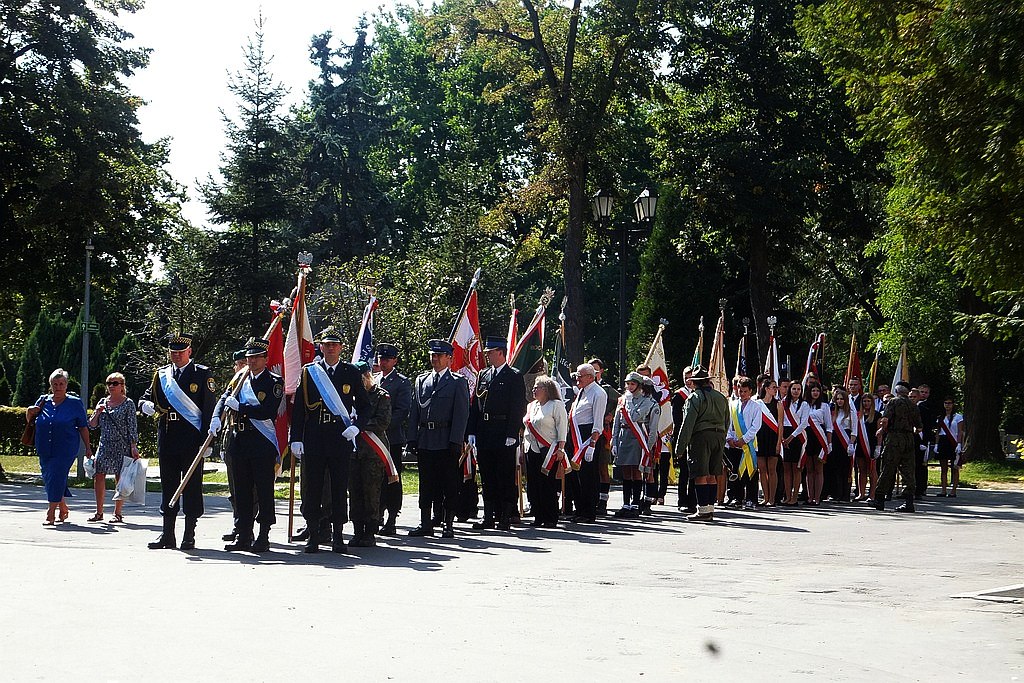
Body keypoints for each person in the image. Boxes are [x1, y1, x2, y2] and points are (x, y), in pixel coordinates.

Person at [290, 327, 371, 553]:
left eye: (335, 344)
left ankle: (338, 535)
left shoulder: (350, 372)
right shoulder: (309, 372)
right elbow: (299, 409)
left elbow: (365, 406)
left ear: (341, 348)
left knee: (339, 488)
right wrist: (296, 438)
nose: (331, 348)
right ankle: (313, 534)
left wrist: (356, 427)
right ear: (321, 347)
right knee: (313, 488)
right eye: (327, 344)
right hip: (314, 436)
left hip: (339, 437)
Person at [139, 333, 216, 550]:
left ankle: (189, 534)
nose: (177, 355)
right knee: (169, 485)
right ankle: (167, 534)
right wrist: (144, 405)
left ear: (189, 351)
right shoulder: (162, 375)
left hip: (192, 439)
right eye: (173, 352)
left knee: (191, 486)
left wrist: (208, 441)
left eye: (181, 352)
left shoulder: (201, 374)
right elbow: (147, 396)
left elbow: (209, 409)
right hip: (168, 436)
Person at [218, 337, 283, 553]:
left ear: (265, 358)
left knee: (263, 491)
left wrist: (242, 407)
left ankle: (263, 535)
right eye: (249, 357)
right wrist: (216, 418)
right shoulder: (240, 380)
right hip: (239, 441)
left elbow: (268, 411)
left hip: (261, 442)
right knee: (241, 491)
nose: (252, 361)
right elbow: (224, 399)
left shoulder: (274, 382)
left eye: (256, 357)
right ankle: (244, 535)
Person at [407, 339, 471, 539]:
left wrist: (456, 441)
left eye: (439, 355)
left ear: (449, 358)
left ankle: (448, 524)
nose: (434, 359)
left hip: (446, 439)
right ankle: (425, 522)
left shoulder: (457, 382)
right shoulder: (421, 380)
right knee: (426, 483)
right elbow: (415, 412)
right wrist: (412, 438)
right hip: (426, 439)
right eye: (432, 355)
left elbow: (461, 414)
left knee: (449, 484)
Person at [468, 336, 527, 531]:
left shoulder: (513, 376)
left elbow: (518, 407)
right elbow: (476, 405)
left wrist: (512, 433)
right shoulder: (483, 375)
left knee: (504, 476)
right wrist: (472, 431)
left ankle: (505, 516)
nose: (487, 356)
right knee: (487, 476)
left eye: (490, 352)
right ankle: (488, 516)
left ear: (500, 352)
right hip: (485, 432)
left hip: (503, 432)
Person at [27, 368, 92, 525]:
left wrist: (88, 447)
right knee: (50, 477)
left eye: (61, 384)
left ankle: (50, 513)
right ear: (50, 385)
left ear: (66, 385)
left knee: (56, 475)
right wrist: (29, 411)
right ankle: (62, 507)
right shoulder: (43, 400)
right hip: (44, 446)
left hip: (66, 448)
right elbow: (31, 421)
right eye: (55, 384)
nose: (58, 387)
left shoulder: (74, 403)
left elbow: (83, 427)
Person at [673, 365, 729, 522]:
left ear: (694, 382)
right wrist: (721, 437)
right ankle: (709, 509)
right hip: (719, 436)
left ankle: (703, 510)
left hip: (701, 437)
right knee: (712, 475)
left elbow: (687, 424)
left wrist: (679, 448)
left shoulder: (694, 398)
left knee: (700, 474)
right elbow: (727, 421)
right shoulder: (721, 397)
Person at [349, 361, 392, 548]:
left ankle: (370, 531)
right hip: (353, 452)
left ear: (367, 377)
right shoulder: (349, 396)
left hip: (372, 452)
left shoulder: (381, 396)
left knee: (371, 492)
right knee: (355, 492)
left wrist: (358, 425)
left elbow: (383, 422)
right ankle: (357, 529)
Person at [87, 372, 139, 523]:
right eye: (109, 383)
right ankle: (99, 512)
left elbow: (132, 426)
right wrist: (97, 412)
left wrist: (133, 446)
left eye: (115, 383)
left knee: (120, 477)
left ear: (122, 386)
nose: (111, 386)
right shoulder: (103, 402)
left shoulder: (128, 403)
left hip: (122, 445)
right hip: (105, 444)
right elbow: (92, 425)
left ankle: (117, 512)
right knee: (99, 475)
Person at [610, 372, 661, 518]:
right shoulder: (623, 400)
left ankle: (635, 505)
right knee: (626, 471)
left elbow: (637, 418)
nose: (630, 387)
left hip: (638, 439)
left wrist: (649, 447)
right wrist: (614, 440)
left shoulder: (648, 402)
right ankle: (626, 504)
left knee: (636, 471)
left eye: (633, 384)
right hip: (624, 437)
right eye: (628, 384)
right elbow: (617, 422)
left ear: (639, 385)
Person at [522, 375, 568, 528]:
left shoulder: (556, 405)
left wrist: (561, 448)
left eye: (538, 388)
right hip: (531, 448)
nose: (534, 390)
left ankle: (550, 517)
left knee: (547, 484)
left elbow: (562, 427)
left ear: (547, 390)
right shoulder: (531, 406)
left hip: (549, 450)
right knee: (534, 483)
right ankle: (538, 515)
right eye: (534, 387)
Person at [375, 343, 411, 535]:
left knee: (392, 479)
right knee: (375, 479)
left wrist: (381, 426)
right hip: (373, 438)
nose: (383, 362)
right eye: (381, 358)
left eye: (387, 359)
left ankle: (392, 518)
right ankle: (377, 514)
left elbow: (402, 411)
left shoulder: (401, 382)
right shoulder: (373, 380)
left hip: (391, 439)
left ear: (395, 361)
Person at [213, 349, 248, 542]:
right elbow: (222, 400)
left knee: (250, 489)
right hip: (232, 439)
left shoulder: (254, 383)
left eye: (243, 363)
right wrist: (215, 418)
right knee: (235, 487)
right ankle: (239, 524)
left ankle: (248, 526)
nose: (240, 368)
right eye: (238, 364)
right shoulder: (234, 384)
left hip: (252, 440)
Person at [566, 363, 607, 523]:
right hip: (575, 435)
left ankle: (589, 512)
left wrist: (592, 444)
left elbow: (598, 421)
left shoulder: (598, 393)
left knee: (588, 476)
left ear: (590, 377)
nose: (577, 379)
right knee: (576, 475)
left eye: (580, 376)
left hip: (587, 437)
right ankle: (580, 509)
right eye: (577, 375)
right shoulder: (582, 391)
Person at [874, 382, 923, 512]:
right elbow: (919, 427)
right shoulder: (913, 405)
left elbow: (885, 420)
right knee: (908, 470)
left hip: (894, 438)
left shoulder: (893, 402)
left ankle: (879, 499)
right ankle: (909, 502)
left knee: (887, 467)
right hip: (909, 439)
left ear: (897, 391)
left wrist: (881, 430)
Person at [790, 382, 832, 506]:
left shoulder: (824, 406)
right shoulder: (804, 404)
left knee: (818, 469)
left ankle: (817, 498)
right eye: (813, 390)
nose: (815, 393)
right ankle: (810, 497)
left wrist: (829, 443)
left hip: (819, 437)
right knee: (809, 469)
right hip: (806, 436)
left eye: (817, 391)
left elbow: (829, 426)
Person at [726, 376, 762, 510]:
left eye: (745, 391)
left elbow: (756, 426)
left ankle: (751, 499)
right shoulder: (732, 405)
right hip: (734, 443)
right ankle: (736, 498)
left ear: (751, 391)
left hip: (749, 445)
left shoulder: (756, 406)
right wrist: (729, 438)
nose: (742, 394)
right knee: (735, 471)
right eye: (740, 391)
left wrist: (744, 439)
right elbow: (728, 423)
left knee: (750, 472)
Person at [589, 358, 619, 515]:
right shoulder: (585, 388)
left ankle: (603, 501)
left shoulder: (606, 389)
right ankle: (591, 499)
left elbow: (621, 401)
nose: (593, 372)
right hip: (588, 432)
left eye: (596, 370)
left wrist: (612, 414)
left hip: (603, 433)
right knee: (590, 468)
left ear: (601, 371)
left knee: (602, 467)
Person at [671, 367, 698, 513]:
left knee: (695, 471)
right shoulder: (679, 395)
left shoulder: (699, 395)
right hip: (683, 435)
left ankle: (693, 501)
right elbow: (677, 420)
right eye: (685, 377)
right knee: (684, 471)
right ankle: (682, 500)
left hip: (696, 437)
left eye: (690, 377)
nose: (688, 380)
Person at [779, 381, 809, 506]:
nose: (796, 391)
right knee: (786, 468)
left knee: (796, 468)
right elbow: (780, 420)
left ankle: (795, 497)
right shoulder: (783, 403)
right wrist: (782, 437)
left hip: (797, 436)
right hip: (784, 434)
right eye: (794, 389)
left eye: (798, 389)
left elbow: (804, 423)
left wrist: (791, 437)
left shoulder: (804, 404)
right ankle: (787, 496)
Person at [827, 388, 856, 503]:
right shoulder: (833, 413)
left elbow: (854, 430)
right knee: (835, 468)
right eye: (837, 399)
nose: (839, 401)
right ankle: (836, 493)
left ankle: (845, 494)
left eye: (842, 399)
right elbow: (830, 428)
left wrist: (851, 444)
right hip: (835, 441)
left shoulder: (851, 413)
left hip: (846, 441)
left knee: (845, 469)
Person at [756, 378, 781, 506]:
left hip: (773, 438)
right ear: (766, 389)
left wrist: (779, 442)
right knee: (762, 470)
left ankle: (772, 498)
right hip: (760, 438)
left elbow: (780, 424)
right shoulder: (757, 404)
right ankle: (765, 498)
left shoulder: (778, 404)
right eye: (773, 387)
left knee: (772, 470)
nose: (776, 390)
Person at [935, 397, 964, 497]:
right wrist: (936, 444)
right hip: (943, 441)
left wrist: (959, 443)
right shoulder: (940, 417)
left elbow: (960, 431)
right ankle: (943, 490)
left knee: (954, 467)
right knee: (943, 468)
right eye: (946, 403)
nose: (947, 405)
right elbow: (938, 432)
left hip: (953, 442)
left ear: (953, 404)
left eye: (949, 403)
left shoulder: (958, 417)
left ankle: (953, 491)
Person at [914, 384, 936, 500]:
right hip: (913, 438)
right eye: (921, 392)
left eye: (926, 392)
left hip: (923, 438)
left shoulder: (929, 407)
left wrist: (925, 440)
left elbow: (929, 425)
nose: (923, 394)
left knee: (921, 465)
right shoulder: (913, 405)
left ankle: (921, 488)